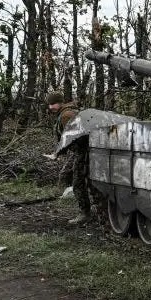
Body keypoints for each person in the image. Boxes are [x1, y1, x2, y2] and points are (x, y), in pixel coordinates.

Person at [47, 91, 92, 225]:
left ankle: (85, 213)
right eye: (49, 104)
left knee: (78, 182)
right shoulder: (70, 111)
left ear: (60, 102)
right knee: (68, 175)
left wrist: (57, 153)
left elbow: (71, 137)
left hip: (82, 151)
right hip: (81, 151)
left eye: (53, 104)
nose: (51, 107)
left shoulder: (67, 115)